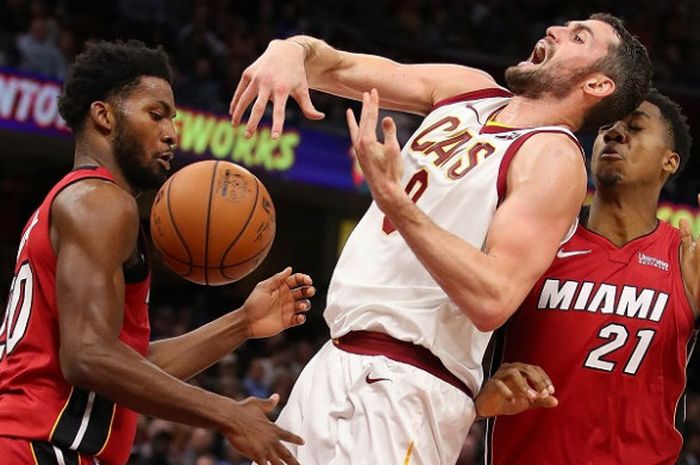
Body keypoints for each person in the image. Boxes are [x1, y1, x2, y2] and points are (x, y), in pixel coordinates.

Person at [230, 13, 652, 465]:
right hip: (330, 363)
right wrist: (291, 50)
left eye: (578, 37)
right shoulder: (467, 88)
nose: (555, 31)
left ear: (597, 86)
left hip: (410, 389)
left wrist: (398, 204)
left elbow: (494, 297)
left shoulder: (553, 157)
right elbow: (333, 66)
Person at [0, 40, 315, 465]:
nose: (171, 133)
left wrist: (242, 322)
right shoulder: (100, 202)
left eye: (173, 118)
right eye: (156, 114)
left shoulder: (77, 201)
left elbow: (128, 365)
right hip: (40, 447)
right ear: (104, 116)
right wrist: (226, 414)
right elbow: (88, 356)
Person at [488, 89, 696, 465]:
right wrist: (482, 394)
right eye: (606, 127)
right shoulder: (541, 239)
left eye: (634, 127)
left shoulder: (686, 260)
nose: (614, 133)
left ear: (670, 161)